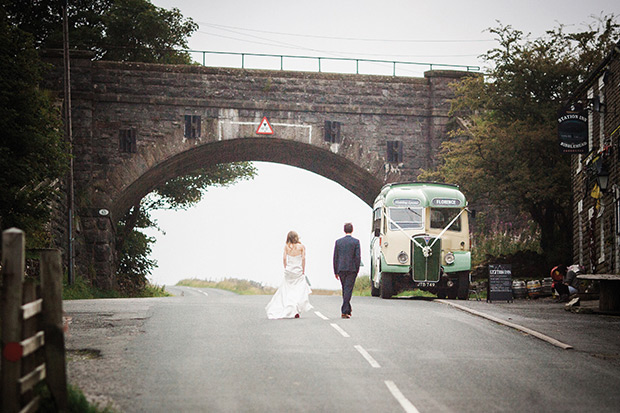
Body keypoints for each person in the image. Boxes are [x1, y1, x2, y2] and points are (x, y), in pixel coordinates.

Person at [265, 231, 313, 319]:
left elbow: (284, 258)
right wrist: (303, 270)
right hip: (298, 270)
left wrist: (286, 267)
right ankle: (295, 308)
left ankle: (287, 307)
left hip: (289, 270)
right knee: (298, 290)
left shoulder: (286, 247)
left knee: (287, 290)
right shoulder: (301, 247)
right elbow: (303, 258)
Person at [333, 223, 361, 319]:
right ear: (352, 230)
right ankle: (344, 311)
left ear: (344, 230)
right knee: (348, 289)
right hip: (351, 269)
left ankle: (347, 309)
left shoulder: (338, 242)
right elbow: (357, 257)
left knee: (345, 289)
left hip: (341, 268)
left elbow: (335, 257)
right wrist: (357, 269)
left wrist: (335, 271)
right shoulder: (356, 242)